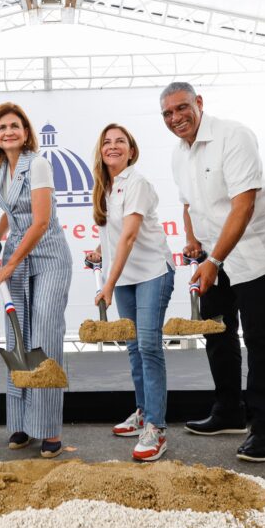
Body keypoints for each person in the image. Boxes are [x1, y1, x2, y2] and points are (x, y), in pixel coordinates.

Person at [161, 82, 265, 462]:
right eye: (167, 114)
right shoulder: (177, 155)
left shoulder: (234, 136)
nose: (176, 118)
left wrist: (213, 261)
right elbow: (189, 205)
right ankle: (229, 411)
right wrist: (193, 242)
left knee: (261, 341)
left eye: (182, 108)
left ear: (199, 103)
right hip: (213, 258)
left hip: (255, 254)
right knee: (217, 334)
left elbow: (243, 205)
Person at [0, 102, 72, 459]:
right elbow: (10, 210)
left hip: (48, 257)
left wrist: (7, 263)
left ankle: (48, 429)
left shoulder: (39, 164)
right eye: (1, 127)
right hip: (16, 256)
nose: (8, 132)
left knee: (45, 339)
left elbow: (40, 222)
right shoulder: (0, 168)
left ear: (26, 130)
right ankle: (21, 422)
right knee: (20, 338)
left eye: (14, 126)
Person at [87, 124, 175, 461]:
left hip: (152, 272)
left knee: (150, 347)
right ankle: (143, 413)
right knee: (135, 347)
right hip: (126, 278)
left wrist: (107, 284)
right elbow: (115, 233)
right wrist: (100, 250)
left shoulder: (136, 182)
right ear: (101, 150)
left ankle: (157, 428)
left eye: (119, 141)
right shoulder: (105, 187)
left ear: (131, 150)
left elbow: (130, 237)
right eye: (106, 142)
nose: (113, 146)